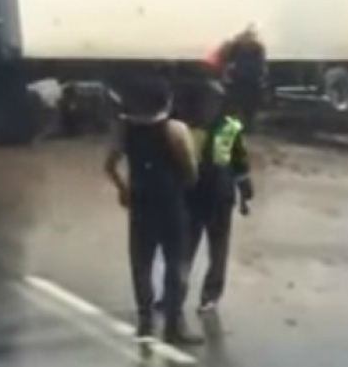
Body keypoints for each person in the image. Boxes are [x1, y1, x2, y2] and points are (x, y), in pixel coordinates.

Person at [104, 74, 204, 346]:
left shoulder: (124, 129)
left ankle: (145, 322)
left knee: (141, 264)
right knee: (176, 265)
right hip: (171, 205)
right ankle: (174, 325)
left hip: (140, 204)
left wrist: (124, 190)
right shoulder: (175, 130)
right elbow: (190, 171)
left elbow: (109, 166)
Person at [186, 81, 255, 312]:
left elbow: (239, 160)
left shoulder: (227, 127)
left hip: (218, 196)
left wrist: (245, 193)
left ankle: (210, 295)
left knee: (215, 249)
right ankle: (176, 293)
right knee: (187, 247)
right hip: (197, 194)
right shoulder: (190, 127)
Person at [217, 26, 267, 132]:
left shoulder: (238, 46)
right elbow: (262, 64)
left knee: (240, 104)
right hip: (249, 79)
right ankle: (248, 126)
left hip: (242, 78)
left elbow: (227, 60)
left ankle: (242, 126)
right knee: (249, 105)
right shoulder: (257, 47)